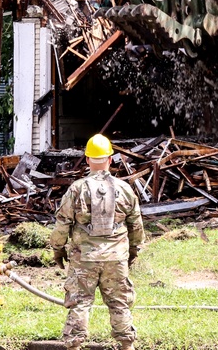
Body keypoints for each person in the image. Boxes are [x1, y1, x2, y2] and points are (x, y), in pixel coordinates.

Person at [50, 134, 146, 350]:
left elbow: (62, 224)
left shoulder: (76, 189)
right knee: (120, 303)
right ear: (110, 159)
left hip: (84, 258)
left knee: (79, 303)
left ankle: (74, 347)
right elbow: (136, 226)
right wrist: (133, 250)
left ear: (87, 159)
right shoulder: (125, 189)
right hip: (116, 258)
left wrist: (57, 249)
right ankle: (126, 346)